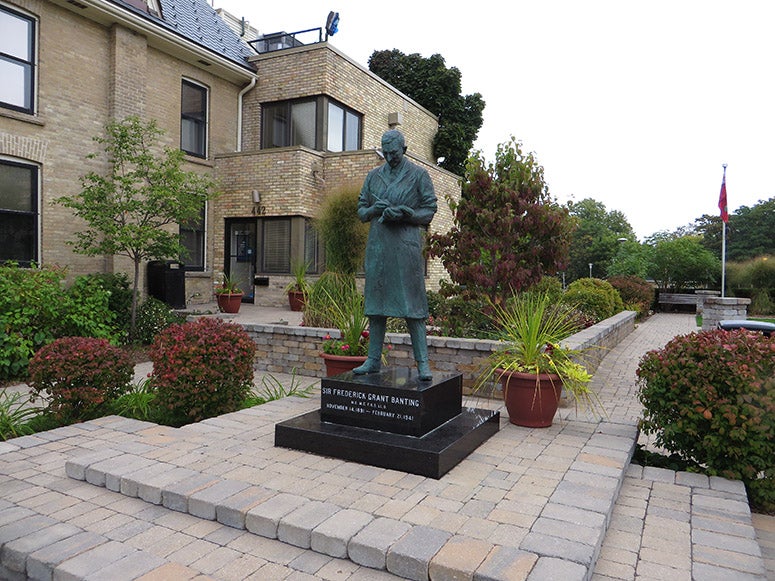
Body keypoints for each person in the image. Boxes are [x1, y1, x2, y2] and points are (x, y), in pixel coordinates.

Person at [353, 130, 437, 381]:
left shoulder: (419, 175)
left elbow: (430, 210)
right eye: (386, 153)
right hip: (379, 247)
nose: (389, 157)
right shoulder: (373, 176)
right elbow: (361, 210)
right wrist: (372, 210)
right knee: (376, 307)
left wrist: (406, 214)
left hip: (405, 248)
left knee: (413, 307)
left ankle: (422, 363)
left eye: (394, 153)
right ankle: (372, 360)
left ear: (405, 149)